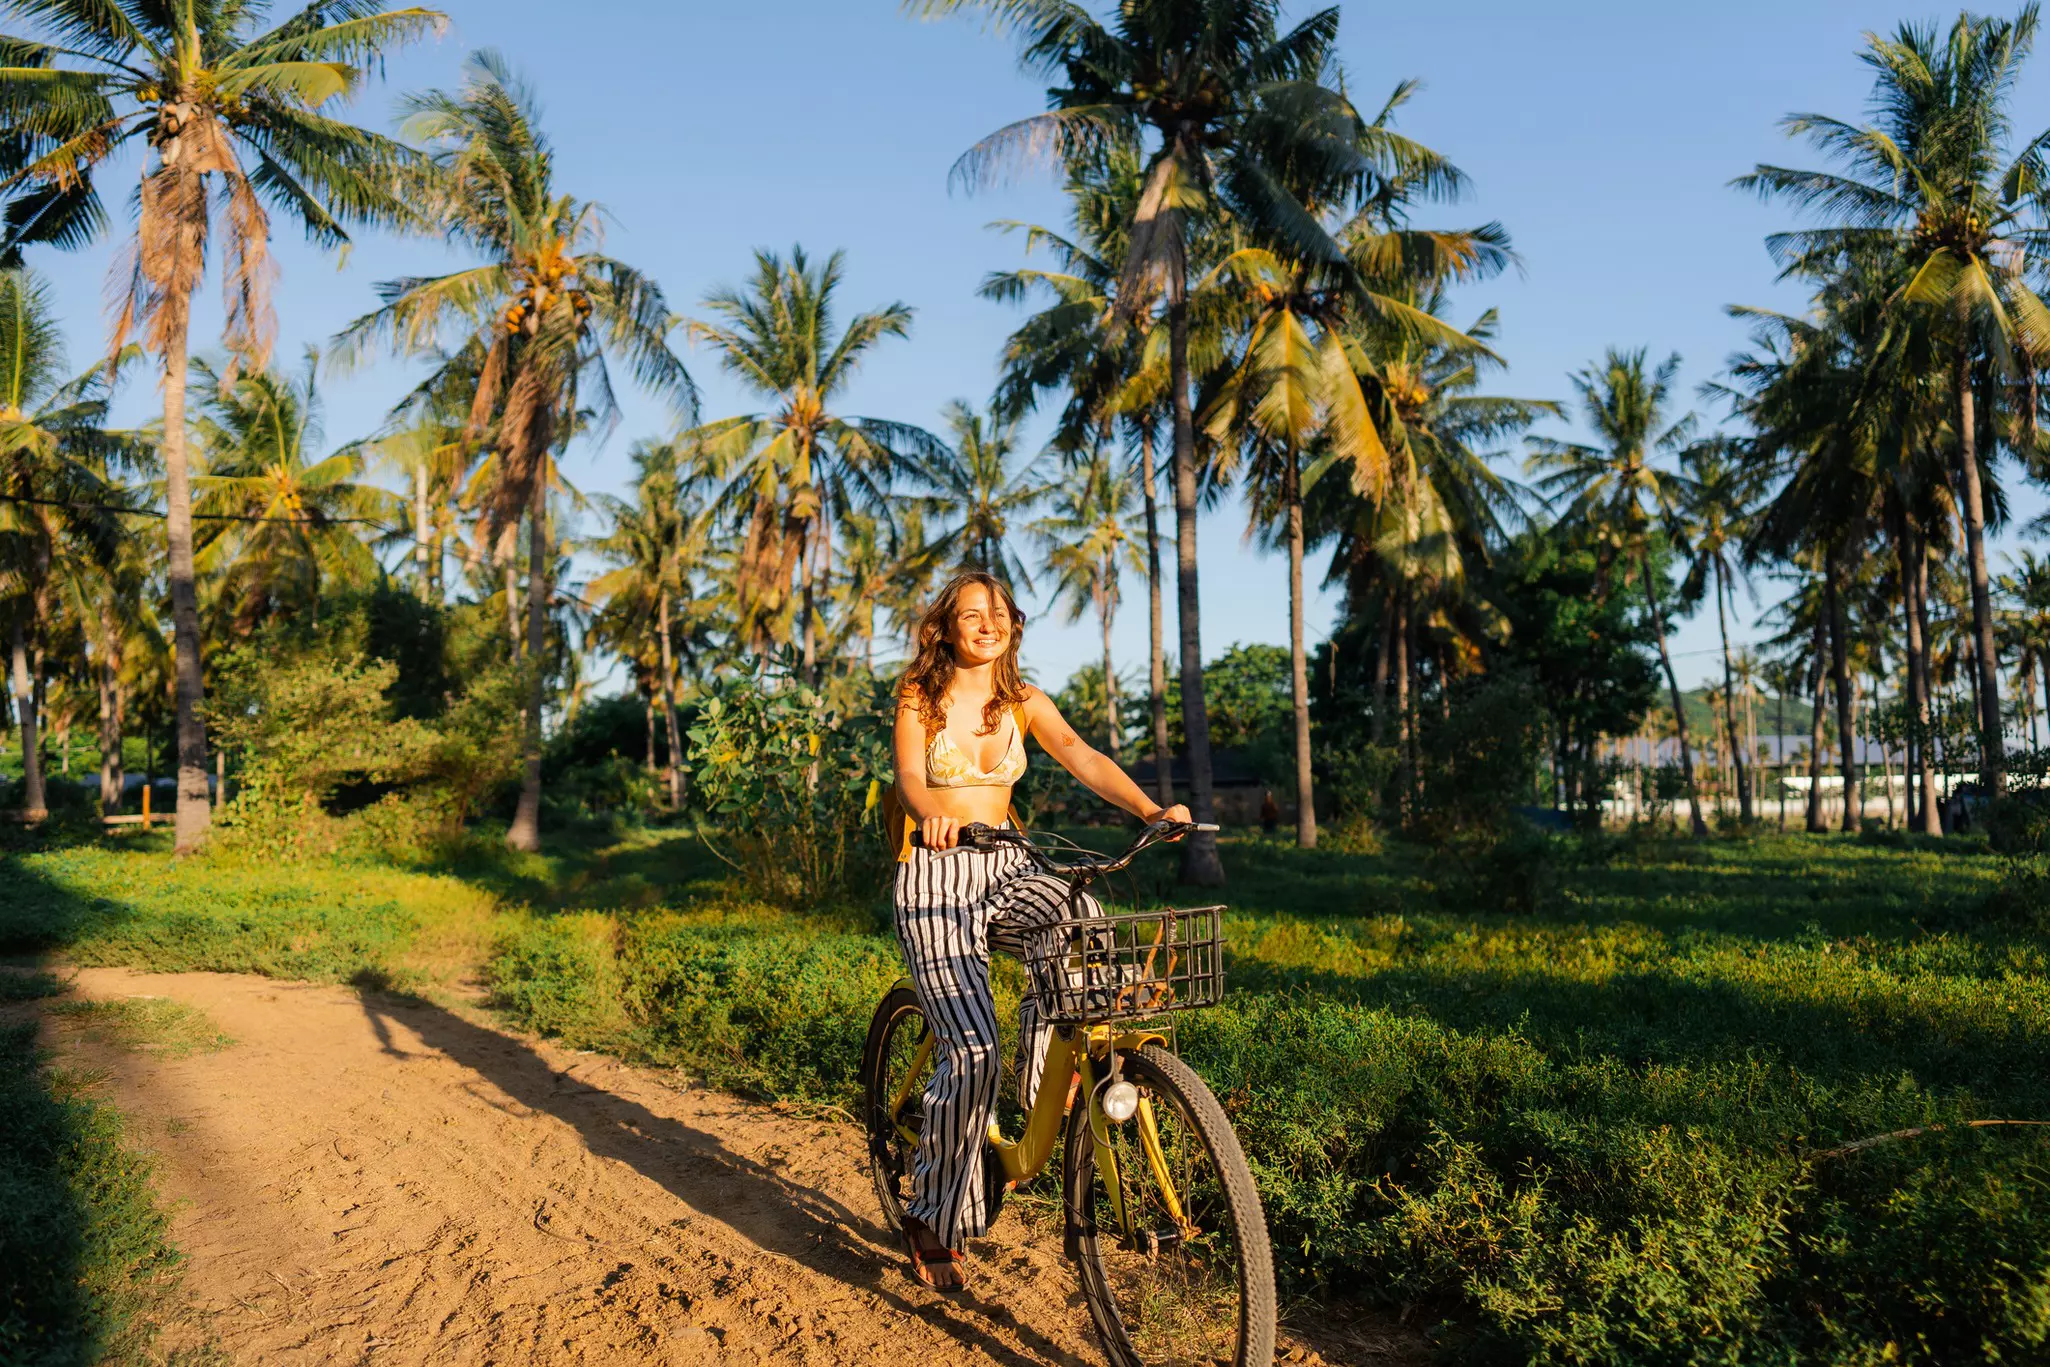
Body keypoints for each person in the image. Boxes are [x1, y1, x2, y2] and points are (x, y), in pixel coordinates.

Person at [887, 571, 1190, 1292]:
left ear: (1011, 625)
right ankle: (931, 1213)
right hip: (935, 876)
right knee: (972, 1047)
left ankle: (1038, 1098)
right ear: (947, 627)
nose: (985, 625)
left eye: (996, 614)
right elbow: (908, 772)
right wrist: (932, 810)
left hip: (1007, 864)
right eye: (970, 615)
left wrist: (1151, 809)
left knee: (1078, 913)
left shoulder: (1022, 703)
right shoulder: (918, 696)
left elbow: (1083, 755)